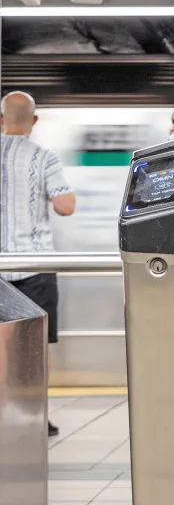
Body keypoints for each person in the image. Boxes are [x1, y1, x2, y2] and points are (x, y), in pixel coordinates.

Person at [0, 91, 75, 435]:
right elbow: (66, 206)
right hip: (36, 265)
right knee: (35, 346)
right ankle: (35, 417)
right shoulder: (44, 157)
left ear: (1, 119)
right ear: (34, 121)